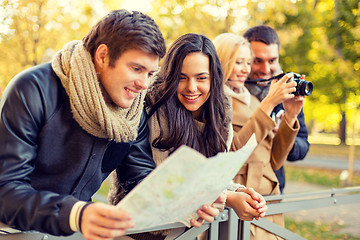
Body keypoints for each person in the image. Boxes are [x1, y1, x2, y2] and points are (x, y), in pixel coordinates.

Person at [0, 9, 219, 240]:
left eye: (150, 73)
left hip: (78, 232)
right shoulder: (32, 89)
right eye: (136, 69)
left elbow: (140, 179)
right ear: (102, 56)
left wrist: (186, 202)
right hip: (14, 232)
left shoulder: (133, 110)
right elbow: (6, 191)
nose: (144, 84)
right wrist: (76, 214)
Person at [109, 33, 268, 240]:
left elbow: (211, 177)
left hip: (185, 231)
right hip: (136, 231)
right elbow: (144, 181)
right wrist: (225, 198)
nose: (191, 87)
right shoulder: (146, 105)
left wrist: (241, 193)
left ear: (214, 77)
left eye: (201, 78)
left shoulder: (220, 112)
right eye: (182, 78)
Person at [213, 32, 303, 239]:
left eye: (248, 62)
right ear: (221, 61)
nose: (246, 69)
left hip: (270, 198)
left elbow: (275, 161)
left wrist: (290, 116)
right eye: (238, 62)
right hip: (243, 199)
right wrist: (269, 103)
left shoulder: (253, 99)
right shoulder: (215, 101)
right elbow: (232, 151)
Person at [243, 25, 310, 193]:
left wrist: (284, 135)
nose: (266, 70)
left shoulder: (288, 91)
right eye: (258, 60)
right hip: (239, 191)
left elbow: (303, 146)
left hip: (273, 189)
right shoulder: (233, 91)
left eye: (272, 61)